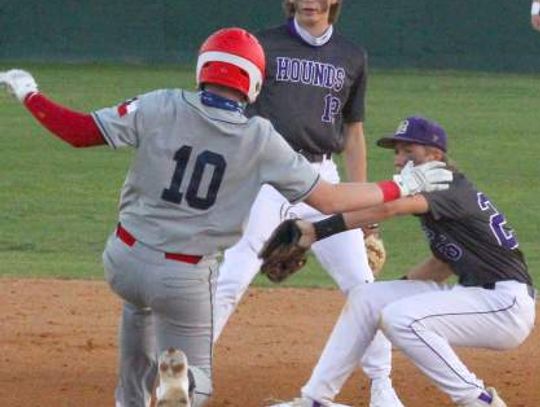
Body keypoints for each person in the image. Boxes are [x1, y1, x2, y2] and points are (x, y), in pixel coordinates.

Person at [0, 30, 452, 407]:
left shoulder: (160, 104)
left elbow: (77, 132)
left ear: (203, 70)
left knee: (138, 307)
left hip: (123, 259)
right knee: (193, 384)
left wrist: (29, 93)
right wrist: (404, 186)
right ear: (254, 84)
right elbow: (332, 198)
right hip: (182, 277)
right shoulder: (259, 138)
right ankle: (182, 383)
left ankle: (131, 399)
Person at [270, 116, 536, 407]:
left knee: (401, 318)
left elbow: (388, 207)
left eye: (409, 151)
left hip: (504, 306)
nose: (399, 160)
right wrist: (392, 293)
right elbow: (441, 263)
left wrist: (317, 231)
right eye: (397, 152)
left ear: (435, 156)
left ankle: (480, 401)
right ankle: (315, 399)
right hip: (480, 297)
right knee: (367, 298)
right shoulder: (444, 193)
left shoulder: (445, 186)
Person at [213, 2, 404, 405]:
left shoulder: (352, 56)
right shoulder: (262, 46)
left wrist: (364, 211)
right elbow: (233, 113)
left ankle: (382, 386)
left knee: (362, 285)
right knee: (233, 276)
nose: (309, 1)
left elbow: (353, 133)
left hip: (324, 180)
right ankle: (188, 374)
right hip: (270, 178)